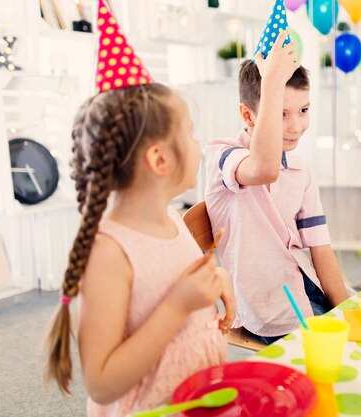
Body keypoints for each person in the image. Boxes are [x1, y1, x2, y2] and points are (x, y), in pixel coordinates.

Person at [44, 4, 234, 415]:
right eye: (191, 133)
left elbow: (173, 283)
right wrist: (179, 306)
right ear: (159, 160)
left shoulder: (171, 221)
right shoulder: (108, 253)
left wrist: (214, 281)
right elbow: (102, 381)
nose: (199, 144)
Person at [205, 31, 349, 345]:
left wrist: (346, 310)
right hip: (270, 306)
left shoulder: (300, 170)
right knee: (337, 357)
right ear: (247, 114)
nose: (296, 125)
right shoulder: (224, 156)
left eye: (303, 110)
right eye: (281, 113)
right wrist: (270, 83)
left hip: (308, 284)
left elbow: (320, 248)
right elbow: (264, 169)